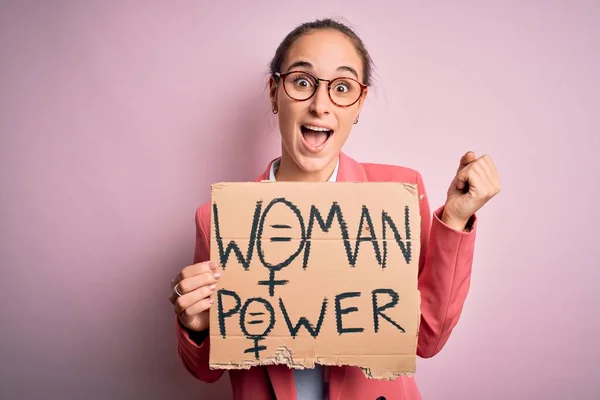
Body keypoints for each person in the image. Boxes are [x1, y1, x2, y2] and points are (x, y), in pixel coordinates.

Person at [169, 18, 501, 400]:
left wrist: (455, 219)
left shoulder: (397, 197)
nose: (320, 105)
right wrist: (196, 326)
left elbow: (426, 338)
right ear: (274, 93)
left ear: (358, 103)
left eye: (341, 88)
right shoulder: (218, 220)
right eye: (302, 82)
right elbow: (207, 370)